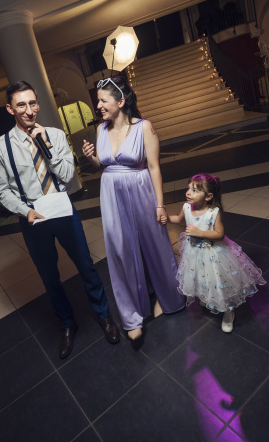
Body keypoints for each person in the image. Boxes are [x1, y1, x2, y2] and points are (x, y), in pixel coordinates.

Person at [0, 81, 120, 359]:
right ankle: (67, 324)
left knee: (86, 265)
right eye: (21, 105)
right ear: (10, 109)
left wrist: (46, 145)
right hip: (32, 216)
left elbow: (67, 176)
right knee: (49, 276)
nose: (29, 110)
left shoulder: (56, 135)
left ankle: (104, 316)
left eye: (32, 103)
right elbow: (2, 190)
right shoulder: (0, 147)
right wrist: (24, 211)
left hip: (62, 209)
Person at [82, 76, 184, 345]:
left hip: (141, 191)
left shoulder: (144, 127)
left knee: (155, 244)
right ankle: (132, 317)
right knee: (120, 250)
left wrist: (160, 205)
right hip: (111, 194)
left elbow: (154, 167)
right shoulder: (101, 130)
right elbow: (102, 165)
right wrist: (90, 157)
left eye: (103, 101)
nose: (98, 106)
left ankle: (166, 296)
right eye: (98, 101)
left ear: (120, 101)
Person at [168, 173, 265, 332]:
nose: (188, 193)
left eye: (194, 190)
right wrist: (166, 217)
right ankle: (207, 296)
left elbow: (219, 234)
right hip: (193, 252)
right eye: (189, 188)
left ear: (208, 196)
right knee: (201, 277)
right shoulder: (186, 207)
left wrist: (199, 232)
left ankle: (228, 311)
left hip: (213, 253)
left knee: (219, 282)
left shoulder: (213, 212)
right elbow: (179, 219)